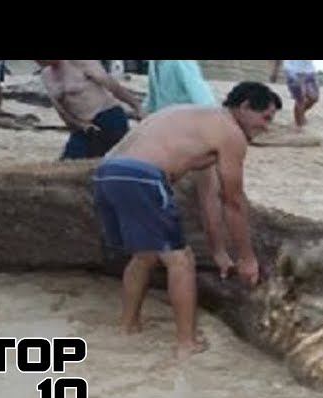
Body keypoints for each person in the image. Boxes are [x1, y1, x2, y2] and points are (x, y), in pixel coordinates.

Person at [92, 81, 282, 359]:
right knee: (181, 261)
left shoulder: (196, 121)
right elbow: (234, 201)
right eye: (265, 118)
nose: (266, 127)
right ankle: (186, 344)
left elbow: (210, 200)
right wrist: (247, 258)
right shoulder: (231, 133)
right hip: (142, 177)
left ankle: (128, 326)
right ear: (244, 107)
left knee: (145, 255)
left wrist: (219, 252)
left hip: (105, 173)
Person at [35, 60, 145, 160]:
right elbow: (60, 109)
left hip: (108, 116)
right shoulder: (46, 76)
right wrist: (80, 125)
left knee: (118, 159)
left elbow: (112, 86)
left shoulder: (80, 63)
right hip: (82, 126)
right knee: (69, 162)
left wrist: (136, 106)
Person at [143, 60, 216, 114]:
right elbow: (152, 98)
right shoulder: (153, 63)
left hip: (186, 117)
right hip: (165, 118)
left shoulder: (181, 62)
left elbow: (202, 96)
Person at [270, 60, 319, 129]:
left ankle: (300, 115)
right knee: (300, 99)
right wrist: (274, 72)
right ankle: (299, 126)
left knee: (314, 98)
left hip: (309, 70)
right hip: (292, 71)